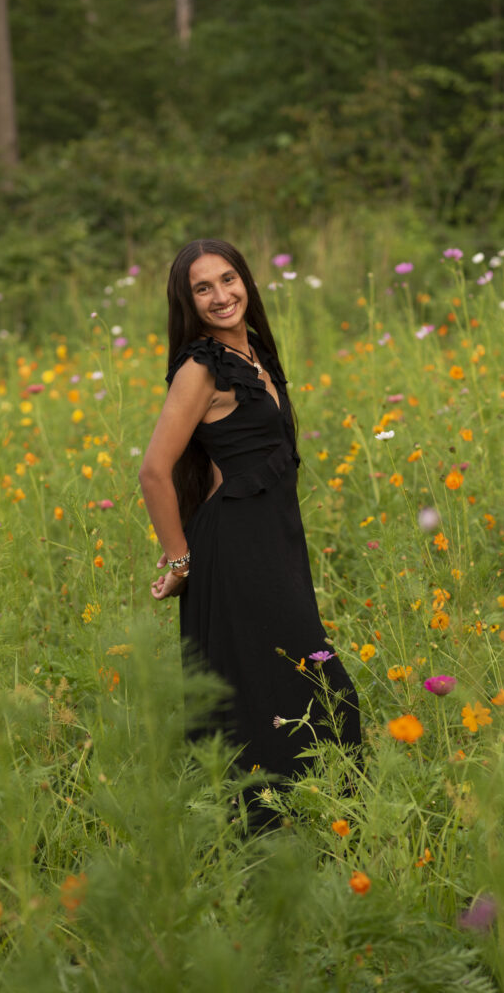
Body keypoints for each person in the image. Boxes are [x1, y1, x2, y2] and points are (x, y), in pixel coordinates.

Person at [139, 239, 361, 789]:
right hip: (237, 550)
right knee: (300, 681)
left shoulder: (253, 351)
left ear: (246, 281)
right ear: (187, 302)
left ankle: (306, 808)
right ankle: (266, 816)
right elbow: (153, 471)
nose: (221, 296)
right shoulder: (201, 367)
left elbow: (235, 456)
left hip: (273, 539)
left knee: (276, 681)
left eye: (228, 279)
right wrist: (180, 560)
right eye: (203, 288)